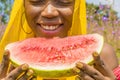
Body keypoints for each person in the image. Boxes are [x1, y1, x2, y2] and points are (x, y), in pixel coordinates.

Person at [0, 0, 119, 80]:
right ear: (23, 5)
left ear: (76, 6)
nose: (49, 12)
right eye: (37, 0)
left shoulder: (102, 55)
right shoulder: (4, 59)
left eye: (63, 1)